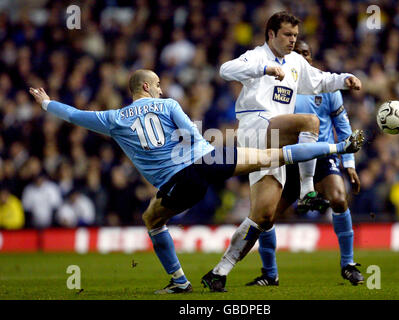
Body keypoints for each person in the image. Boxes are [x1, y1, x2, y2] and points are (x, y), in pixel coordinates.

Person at [29, 69, 364, 294]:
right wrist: (214, 159)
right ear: (146, 87)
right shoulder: (169, 104)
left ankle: (179, 281)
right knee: (270, 157)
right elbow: (191, 135)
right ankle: (339, 146)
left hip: (180, 180)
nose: (161, 88)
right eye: (157, 84)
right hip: (208, 160)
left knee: (151, 219)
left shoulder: (113, 119)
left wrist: (46, 103)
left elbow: (73, 115)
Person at [201, 11, 362, 292]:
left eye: (295, 36)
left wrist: (344, 79)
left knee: (263, 216)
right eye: (287, 35)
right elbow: (225, 70)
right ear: (271, 34)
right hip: (256, 128)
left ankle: (218, 271)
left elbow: (320, 81)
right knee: (310, 122)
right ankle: (307, 190)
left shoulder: (296, 62)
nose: (292, 40)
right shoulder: (257, 56)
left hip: (275, 142)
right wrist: (263, 70)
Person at [246, 41, 364, 288]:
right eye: (297, 53)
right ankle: (270, 274)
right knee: (266, 216)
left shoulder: (326, 86)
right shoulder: (276, 85)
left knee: (339, 198)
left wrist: (349, 162)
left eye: (306, 53)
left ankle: (348, 264)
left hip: (320, 155)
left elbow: (342, 126)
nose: (302, 57)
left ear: (311, 58)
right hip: (286, 157)